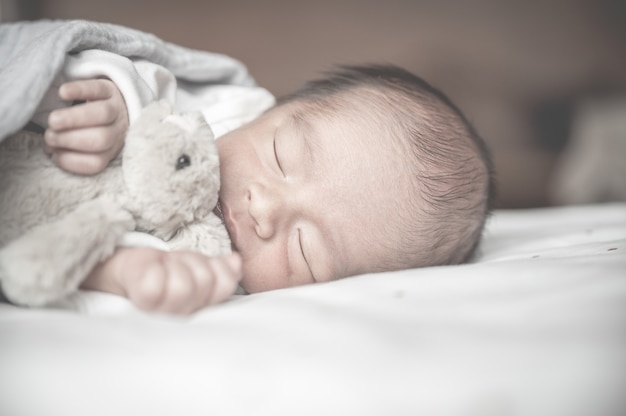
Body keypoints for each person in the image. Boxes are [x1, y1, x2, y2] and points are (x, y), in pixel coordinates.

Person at [42, 64, 495, 315]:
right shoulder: (224, 107)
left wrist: (125, 270)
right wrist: (122, 102)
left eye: (306, 252)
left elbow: (44, 260)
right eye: (280, 155)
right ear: (271, 109)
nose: (266, 208)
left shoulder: (211, 277)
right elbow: (138, 69)